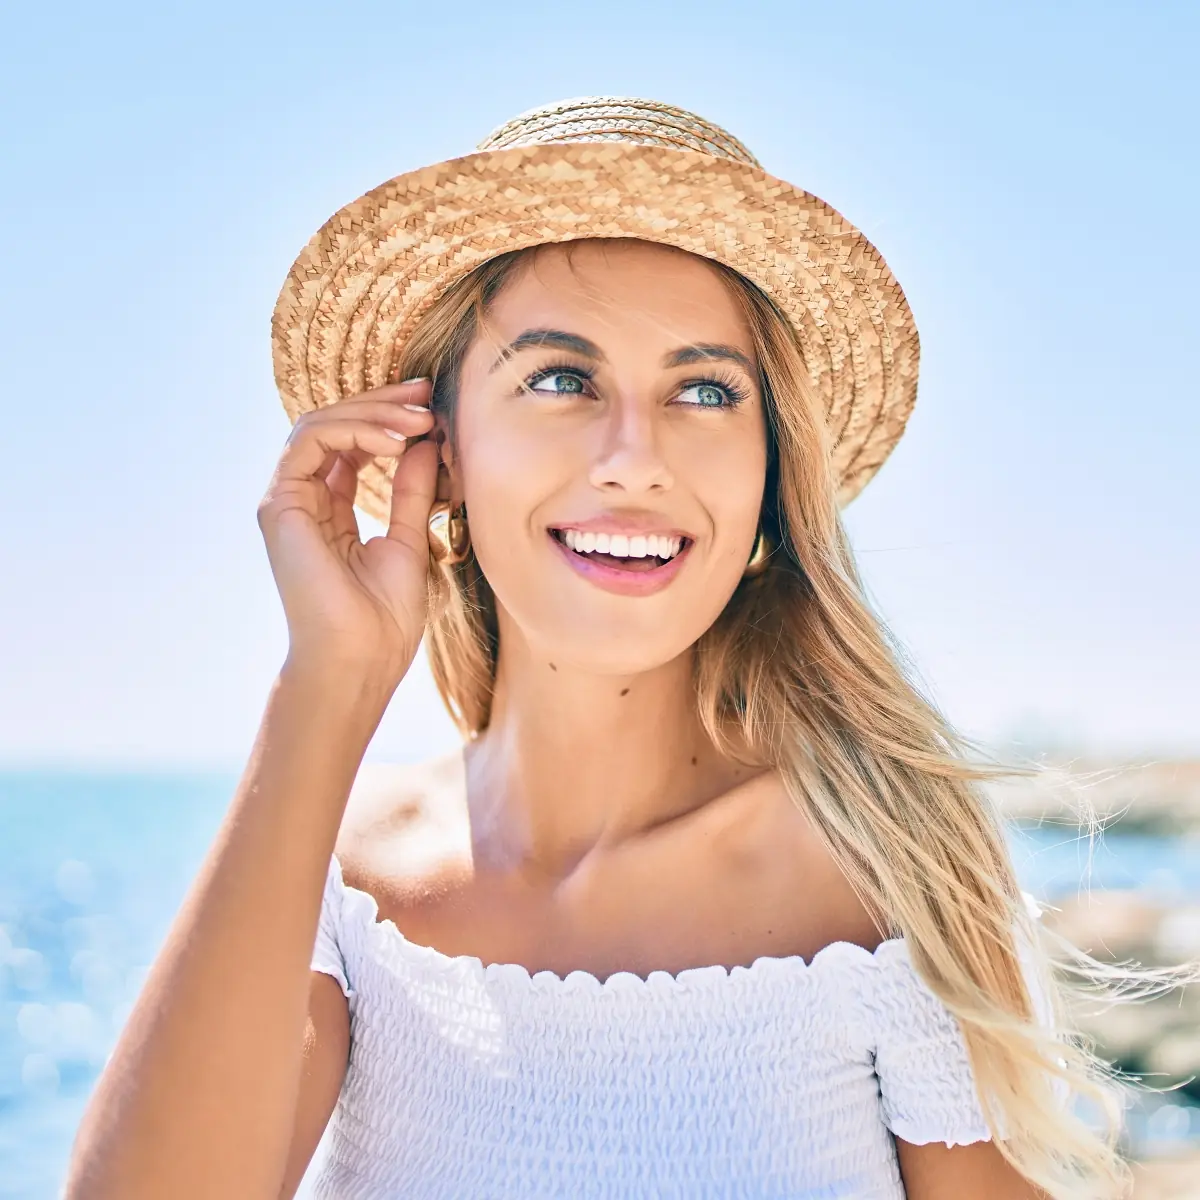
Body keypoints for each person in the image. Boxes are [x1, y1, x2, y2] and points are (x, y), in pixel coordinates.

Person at [66, 97, 1132, 1199]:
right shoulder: (351, 882)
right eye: (562, 379)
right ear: (443, 448)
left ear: (770, 480)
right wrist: (323, 691)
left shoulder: (881, 877)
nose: (634, 458)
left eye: (706, 391)